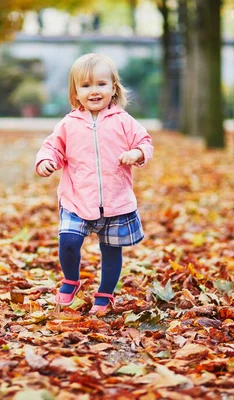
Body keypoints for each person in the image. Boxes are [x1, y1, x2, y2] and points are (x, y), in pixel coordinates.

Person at [35, 53, 153, 315]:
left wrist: (137, 154)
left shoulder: (123, 121)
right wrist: (46, 160)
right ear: (76, 92)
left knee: (111, 250)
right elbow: (52, 147)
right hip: (77, 198)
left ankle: (105, 293)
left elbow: (145, 142)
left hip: (116, 199)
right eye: (86, 85)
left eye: (101, 84)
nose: (94, 91)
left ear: (113, 88)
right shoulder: (69, 124)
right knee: (68, 240)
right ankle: (70, 280)